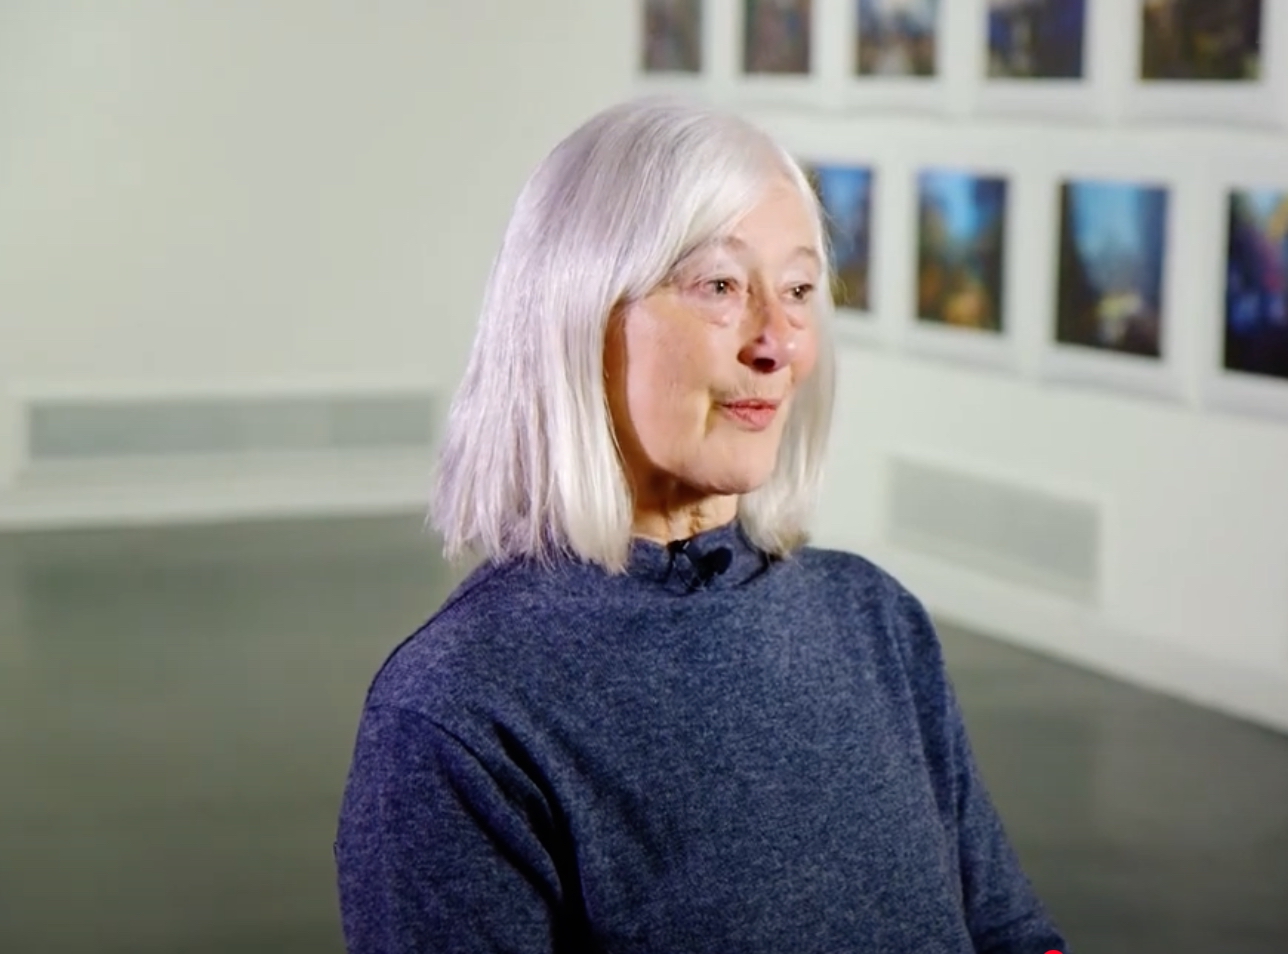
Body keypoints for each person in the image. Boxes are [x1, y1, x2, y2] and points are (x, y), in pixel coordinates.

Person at [331, 97, 1067, 953]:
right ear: (577, 316)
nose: (777, 342)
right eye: (720, 286)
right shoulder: (458, 711)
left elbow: (1013, 933)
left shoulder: (874, 621)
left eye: (797, 290)